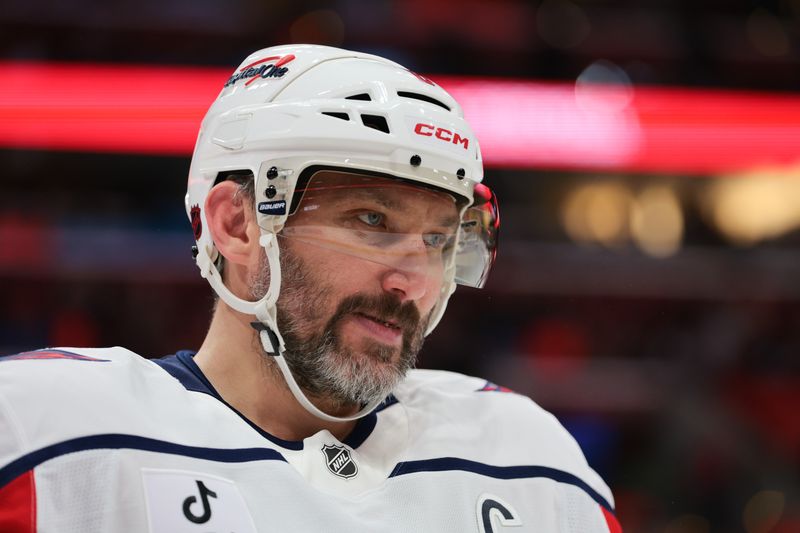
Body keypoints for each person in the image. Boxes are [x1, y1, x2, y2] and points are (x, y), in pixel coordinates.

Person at [0, 44, 620, 532]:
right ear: (237, 224)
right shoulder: (47, 437)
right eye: (372, 221)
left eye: (437, 239)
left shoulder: (529, 462)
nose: (412, 282)